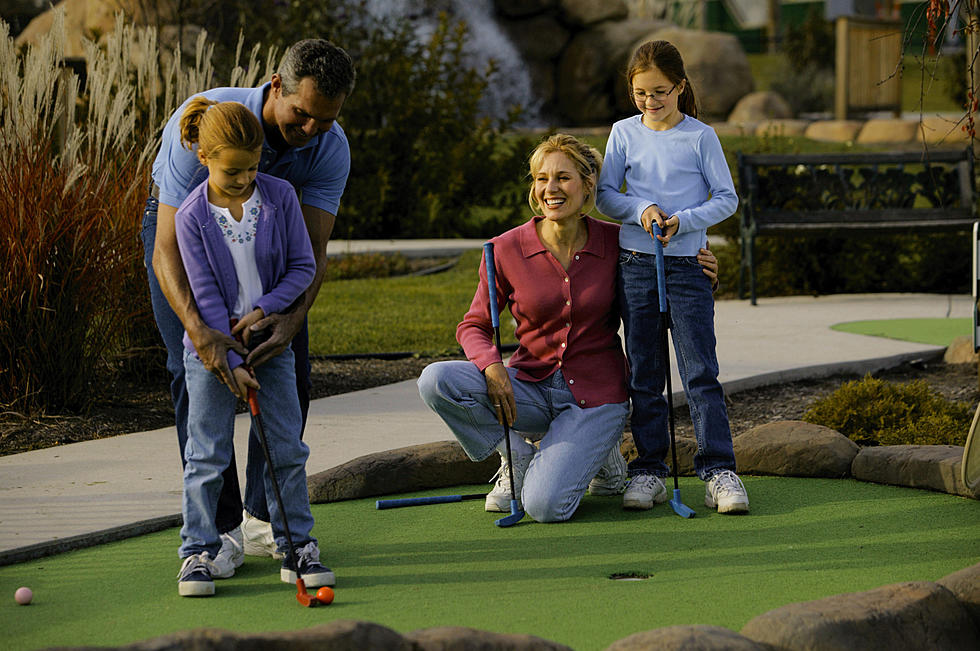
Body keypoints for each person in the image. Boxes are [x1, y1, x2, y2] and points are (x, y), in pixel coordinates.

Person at [141, 39, 355, 577]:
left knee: (290, 372)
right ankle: (215, 537)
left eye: (324, 121)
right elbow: (169, 249)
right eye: (300, 114)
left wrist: (285, 318)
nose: (309, 130)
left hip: (271, 260)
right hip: (184, 242)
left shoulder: (329, 150)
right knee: (193, 373)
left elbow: (311, 251)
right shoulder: (210, 128)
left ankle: (268, 519)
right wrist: (205, 333)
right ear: (276, 87)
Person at [418, 134, 628, 523]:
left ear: (588, 184)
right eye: (541, 178)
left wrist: (703, 273)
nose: (551, 189)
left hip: (597, 398)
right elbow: (473, 325)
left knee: (545, 507)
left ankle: (605, 456)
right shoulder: (504, 249)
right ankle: (515, 456)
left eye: (563, 178)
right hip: (529, 386)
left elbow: (664, 285)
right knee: (436, 380)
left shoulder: (618, 242)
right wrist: (492, 367)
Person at [173, 98, 332, 597]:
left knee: (287, 447)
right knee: (207, 453)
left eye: (253, 166)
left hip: (270, 345)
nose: (244, 178)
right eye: (232, 170)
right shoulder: (192, 216)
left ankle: (296, 544)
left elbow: (303, 268)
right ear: (204, 158)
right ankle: (197, 551)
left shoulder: (281, 197)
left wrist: (266, 310)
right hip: (212, 353)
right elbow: (203, 297)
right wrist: (231, 364)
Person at [596, 40, 749, 514]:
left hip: (686, 266)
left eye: (660, 92)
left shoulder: (700, 137)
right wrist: (642, 208)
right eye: (641, 94)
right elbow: (605, 196)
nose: (650, 102)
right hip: (637, 266)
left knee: (700, 371)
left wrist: (683, 220)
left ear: (680, 87)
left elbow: (727, 198)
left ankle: (719, 470)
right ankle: (648, 470)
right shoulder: (623, 133)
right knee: (645, 372)